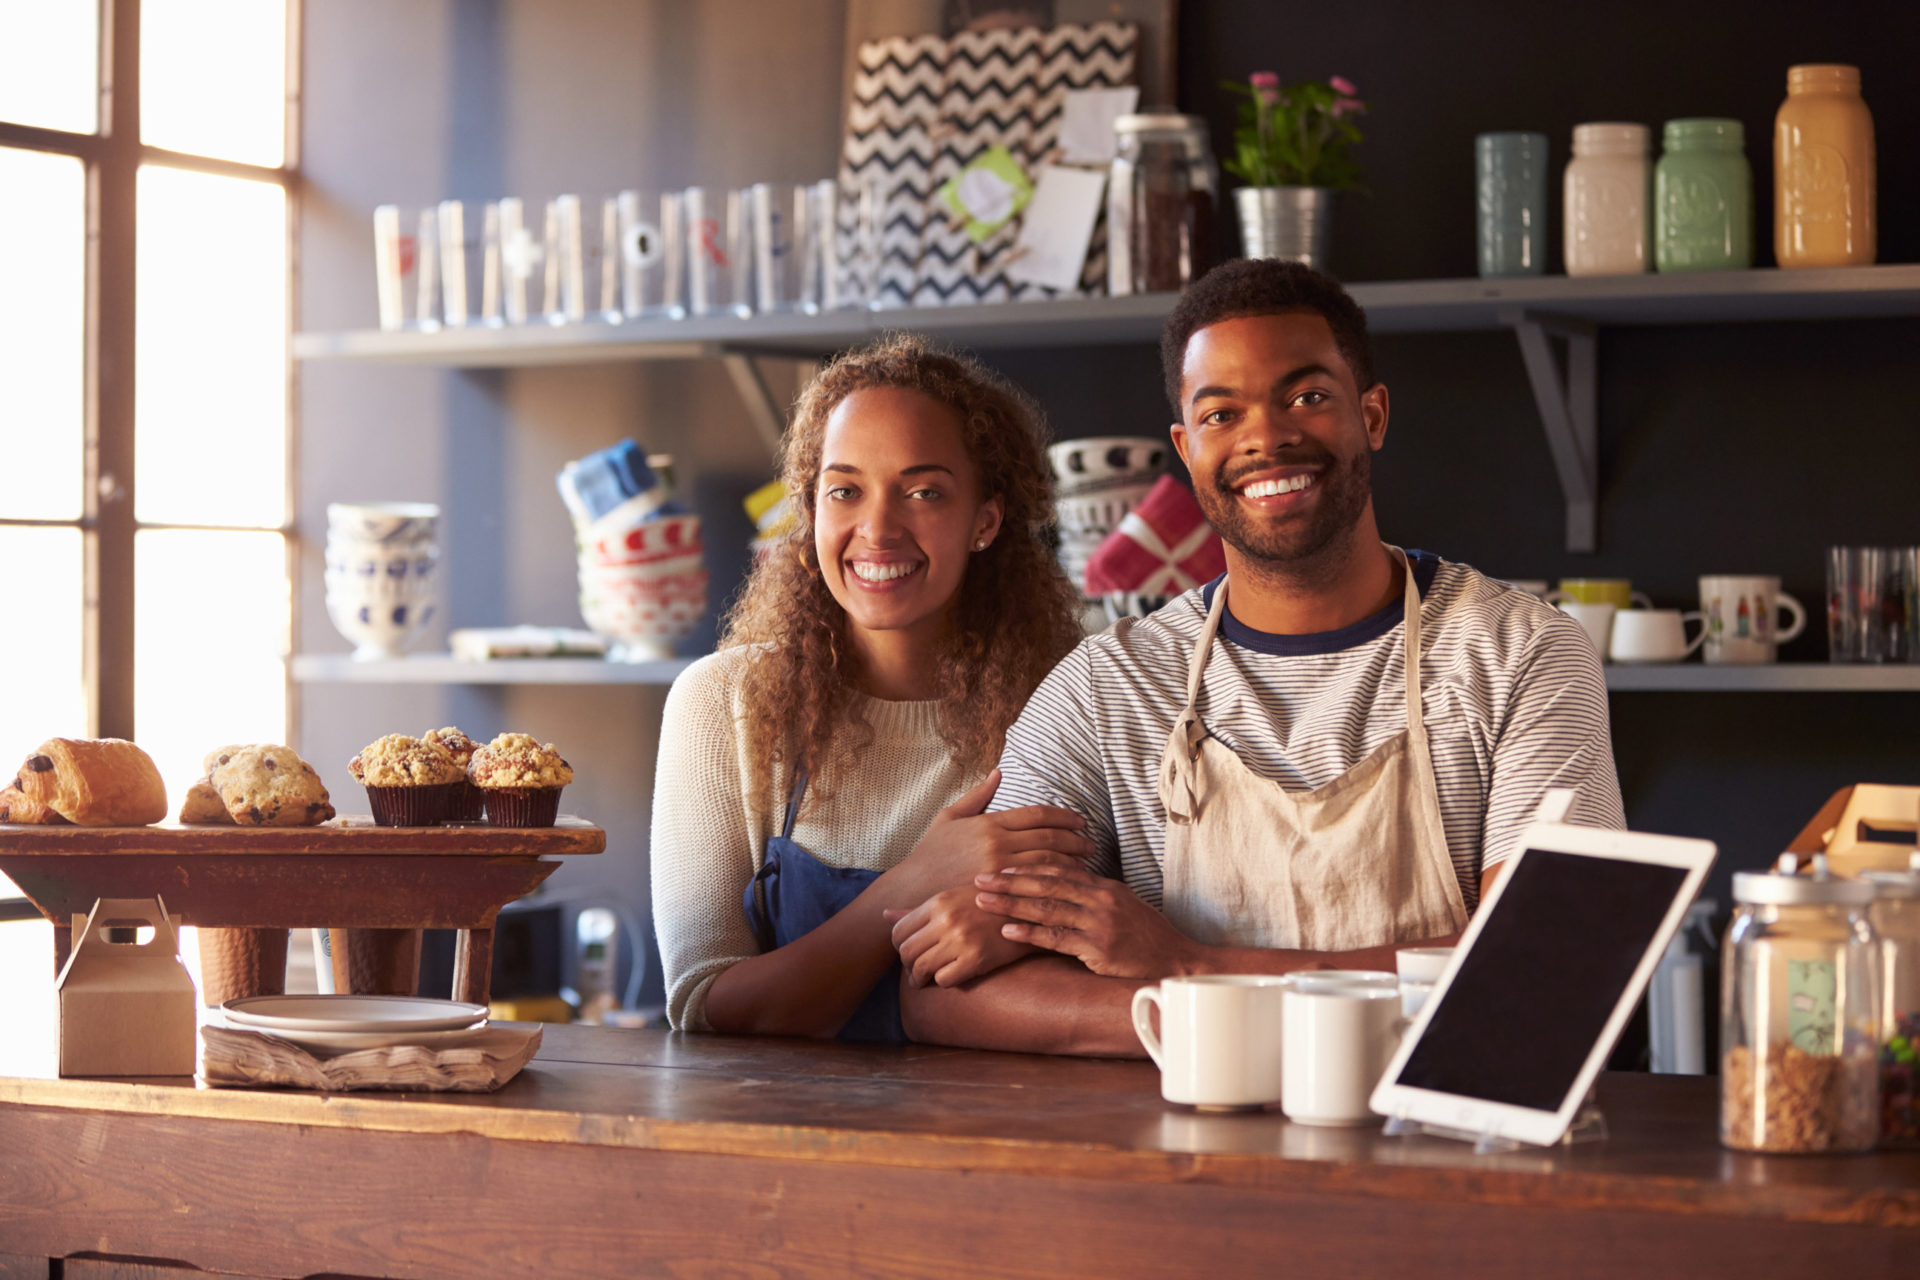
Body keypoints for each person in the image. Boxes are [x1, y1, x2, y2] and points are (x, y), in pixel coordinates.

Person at [887, 259, 1627, 1054]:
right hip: (1179, 1165)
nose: (1266, 439)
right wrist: (1210, 1018)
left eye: (1307, 398)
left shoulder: (1522, 654)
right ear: (1186, 445)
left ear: (1372, 415)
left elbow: (1550, 968)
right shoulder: (1109, 687)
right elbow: (943, 992)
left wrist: (1193, 969)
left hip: (1447, 1155)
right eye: (1221, 414)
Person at [651, 334, 1089, 1042]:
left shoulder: (1067, 702)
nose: (877, 530)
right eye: (845, 491)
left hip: (991, 1132)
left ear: (986, 520)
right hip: (769, 1135)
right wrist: (915, 882)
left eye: (924, 492)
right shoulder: (721, 702)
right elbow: (705, 1006)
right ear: (812, 512)